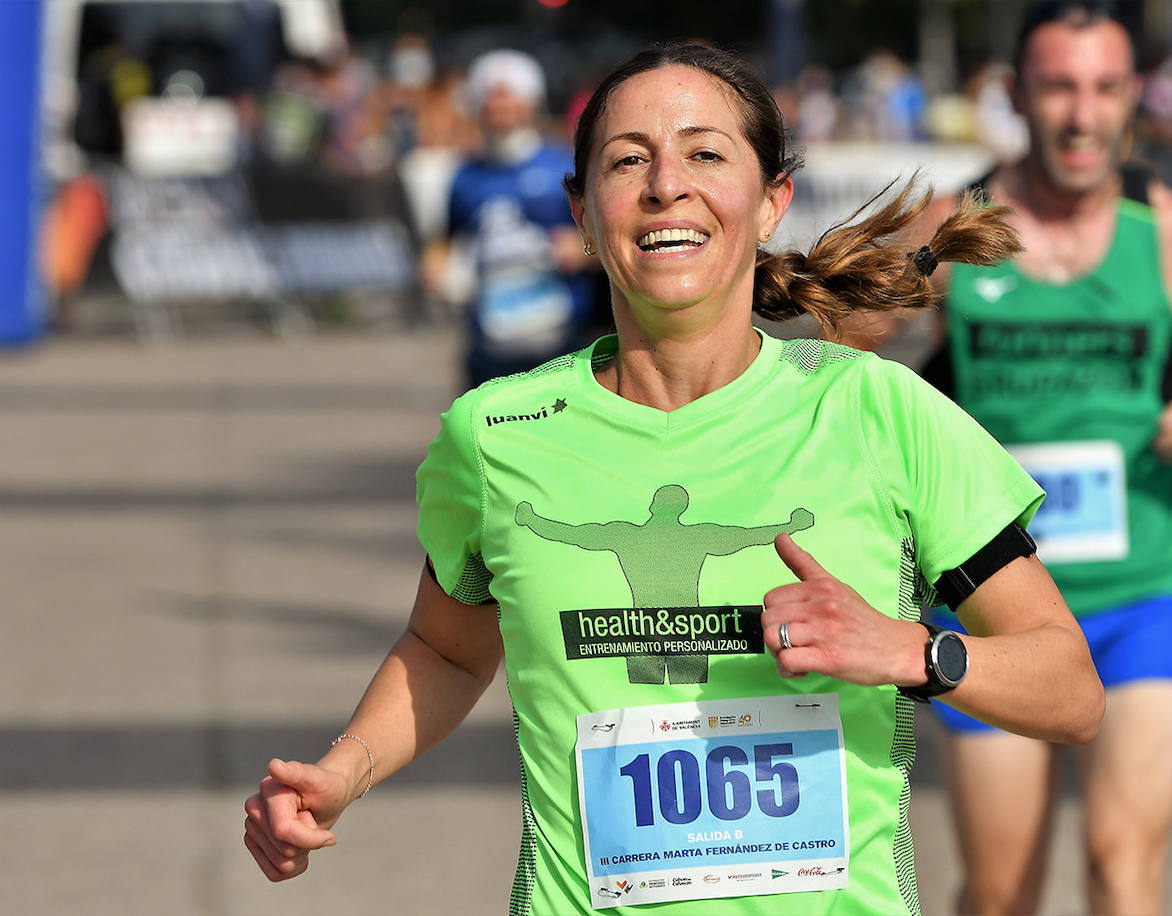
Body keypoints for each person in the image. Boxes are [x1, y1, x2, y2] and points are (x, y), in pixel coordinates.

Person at [242, 41, 1104, 914]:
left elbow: (1070, 688)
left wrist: (906, 651)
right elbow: (445, 648)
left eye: (705, 153)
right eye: (627, 160)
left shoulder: (881, 412)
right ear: (582, 213)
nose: (665, 186)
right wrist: (342, 771)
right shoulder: (494, 434)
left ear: (773, 203)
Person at [841, 4, 1172, 914]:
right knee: (1002, 893)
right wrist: (910, 256)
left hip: (1142, 593)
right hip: (996, 604)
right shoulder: (959, 227)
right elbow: (850, 336)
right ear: (1015, 95)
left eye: (1105, 87)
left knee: (1123, 871)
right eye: (1057, 85)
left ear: (1132, 97)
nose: (1082, 113)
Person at [446, 48, 598, 388]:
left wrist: (584, 248)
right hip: (489, 347)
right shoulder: (464, 175)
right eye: (491, 97)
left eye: (509, 96)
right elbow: (446, 242)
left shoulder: (564, 167)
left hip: (562, 343)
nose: (500, 107)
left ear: (531, 101)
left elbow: (607, 241)